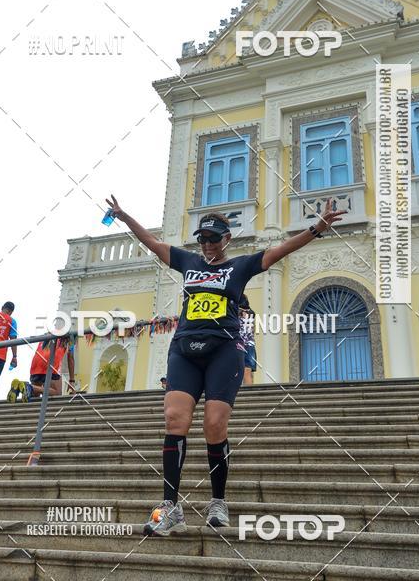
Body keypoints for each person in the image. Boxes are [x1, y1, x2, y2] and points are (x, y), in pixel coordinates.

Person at [104, 193, 345, 536]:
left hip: (224, 351)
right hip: (185, 349)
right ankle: (170, 507)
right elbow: (153, 244)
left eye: (213, 239)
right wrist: (125, 215)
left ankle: (218, 501)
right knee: (174, 418)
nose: (207, 245)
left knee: (214, 424)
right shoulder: (188, 262)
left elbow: (280, 250)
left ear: (227, 239)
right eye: (202, 239)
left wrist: (317, 228)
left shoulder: (240, 266)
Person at [7, 336, 75, 402]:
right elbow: (70, 358)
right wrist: (72, 381)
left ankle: (19, 387)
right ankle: (29, 387)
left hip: (36, 363)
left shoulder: (48, 334)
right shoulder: (70, 338)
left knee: (35, 395)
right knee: (57, 393)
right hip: (49, 363)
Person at [239, 294, 257, 385]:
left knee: (246, 370)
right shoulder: (251, 313)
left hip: (241, 344)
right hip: (248, 344)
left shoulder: (236, 311)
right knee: (247, 370)